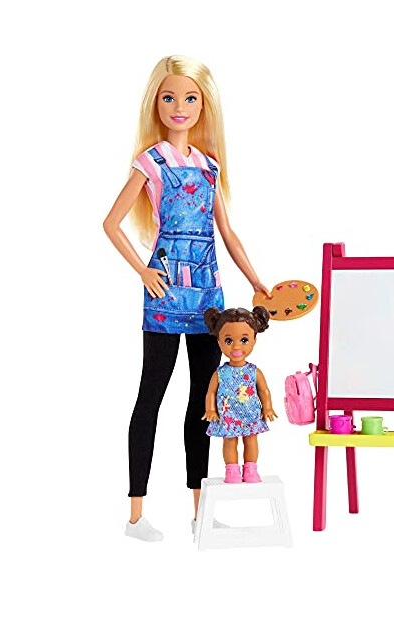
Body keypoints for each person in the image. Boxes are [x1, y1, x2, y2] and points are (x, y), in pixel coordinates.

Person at [103, 56, 271, 542]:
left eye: (190, 97)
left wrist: (257, 281)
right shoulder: (150, 162)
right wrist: (143, 270)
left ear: (204, 105)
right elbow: (111, 223)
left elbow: (227, 233)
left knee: (205, 399)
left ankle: (200, 510)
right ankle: (136, 515)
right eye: (170, 97)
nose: (180, 106)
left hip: (207, 295)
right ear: (156, 103)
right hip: (163, 290)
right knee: (151, 394)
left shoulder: (209, 166)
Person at [202, 306, 278, 483]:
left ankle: (251, 469)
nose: (236, 347)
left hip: (250, 413)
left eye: (244, 340)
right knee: (230, 441)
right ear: (219, 341)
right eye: (228, 340)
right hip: (228, 415)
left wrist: (267, 407)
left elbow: (264, 390)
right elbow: (211, 392)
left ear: (254, 340)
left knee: (251, 439)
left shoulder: (254, 371)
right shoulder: (220, 373)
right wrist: (211, 410)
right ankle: (232, 470)